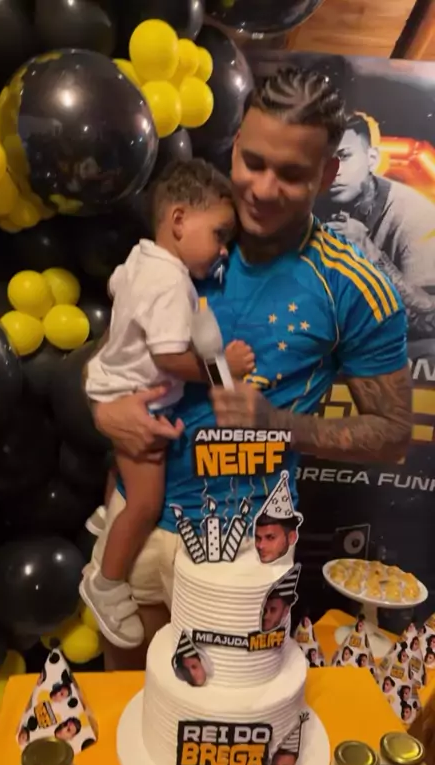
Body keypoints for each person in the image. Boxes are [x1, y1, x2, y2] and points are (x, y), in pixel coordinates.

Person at [90, 65, 411, 671]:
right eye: (253, 162)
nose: (263, 189)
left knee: (222, 711)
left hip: (243, 553)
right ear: (234, 146)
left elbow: (394, 434)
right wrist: (104, 411)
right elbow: (114, 354)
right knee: (128, 703)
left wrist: (278, 423)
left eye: (290, 174)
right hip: (139, 522)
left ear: (327, 174)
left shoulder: (352, 286)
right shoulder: (187, 236)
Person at [81, 160, 247, 648]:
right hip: (139, 402)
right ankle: (106, 584)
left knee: (123, 473)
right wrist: (224, 369)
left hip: (114, 386)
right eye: (219, 234)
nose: (223, 250)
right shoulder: (173, 281)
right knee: (145, 501)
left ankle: (106, 514)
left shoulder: (141, 259)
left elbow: (117, 285)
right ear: (178, 220)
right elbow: (170, 357)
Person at [316, 112, 435, 353]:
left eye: (344, 156)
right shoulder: (307, 204)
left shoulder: (414, 214)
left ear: (372, 159)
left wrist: (369, 253)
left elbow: (430, 322)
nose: (334, 170)